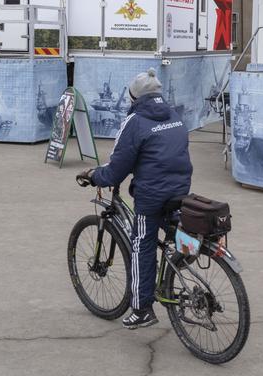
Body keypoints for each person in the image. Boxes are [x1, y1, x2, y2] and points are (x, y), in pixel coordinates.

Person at [77, 68, 192, 330]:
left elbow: (118, 168)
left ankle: (141, 309)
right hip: (181, 186)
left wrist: (96, 176)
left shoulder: (136, 120)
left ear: (134, 97)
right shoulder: (174, 114)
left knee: (142, 243)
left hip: (152, 194)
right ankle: (187, 250)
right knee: (173, 228)